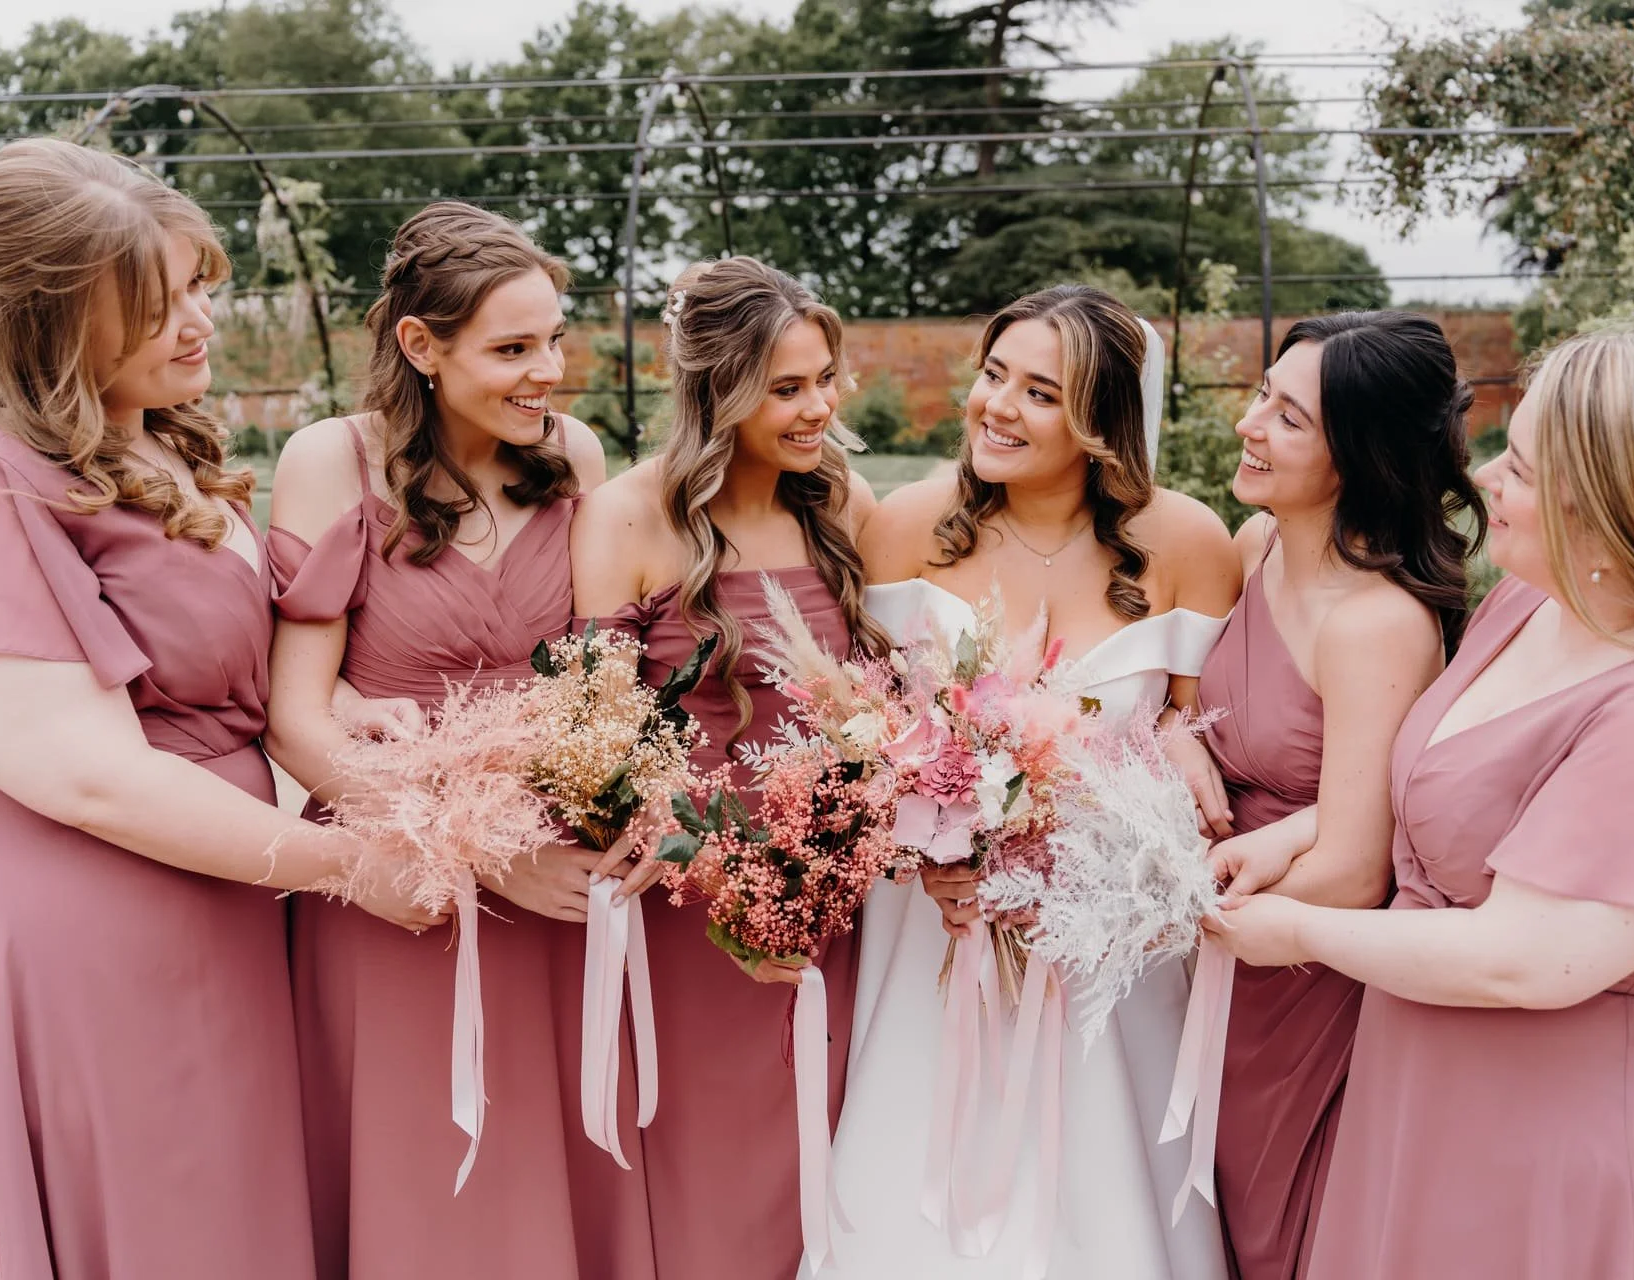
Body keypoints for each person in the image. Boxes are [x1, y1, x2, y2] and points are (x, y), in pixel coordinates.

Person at [0, 138, 430, 1280]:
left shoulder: (149, 435)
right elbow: (89, 773)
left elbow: (210, 658)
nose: (199, 322)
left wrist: (335, 704)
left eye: (199, 288)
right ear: (55, 320)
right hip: (76, 933)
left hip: (211, 899)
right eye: (156, 302)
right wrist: (349, 865)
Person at [1208, 326, 1634, 1280]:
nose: (1481, 477)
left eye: (1516, 466)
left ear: (1609, 507)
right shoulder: (1532, 605)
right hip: (1433, 1098)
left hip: (1583, 1139)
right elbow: (1453, 780)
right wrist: (1296, 835)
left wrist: (1297, 933)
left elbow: (1524, 958)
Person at [822, 284, 1239, 1277]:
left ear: (1103, 423)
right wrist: (926, 838)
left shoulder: (1188, 542)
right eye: (994, 372)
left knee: (1103, 1189)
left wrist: (1180, 737)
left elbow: (1198, 717)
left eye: (1039, 391)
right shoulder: (909, 523)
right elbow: (870, 724)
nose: (995, 405)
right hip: (942, 919)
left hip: (1107, 940)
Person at [261, 201, 644, 1280]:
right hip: (401, 885)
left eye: (556, 339)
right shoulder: (331, 460)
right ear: (421, 346)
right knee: (423, 1184)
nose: (549, 372)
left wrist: (608, 812)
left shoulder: (573, 453)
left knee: (558, 1170)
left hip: (562, 877)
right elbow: (296, 716)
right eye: (513, 348)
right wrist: (473, 853)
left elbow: (607, 682)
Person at [570, 255, 886, 1280]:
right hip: (690, 893)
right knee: (702, 1164)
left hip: (830, 885)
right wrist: (727, 888)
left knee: (827, 1145)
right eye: (788, 387)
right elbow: (592, 733)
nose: (820, 406)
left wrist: (818, 869)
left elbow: (879, 702)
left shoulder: (844, 502)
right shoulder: (629, 513)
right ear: (719, 390)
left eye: (825, 377)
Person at [1168, 311, 1483, 1279]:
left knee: (1287, 1219)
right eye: (1263, 395)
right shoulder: (1256, 541)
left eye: (1290, 417)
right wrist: (1176, 734)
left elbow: (1353, 865)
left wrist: (1164, 914)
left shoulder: (1377, 622)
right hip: (1222, 937)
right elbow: (1199, 703)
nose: (1251, 424)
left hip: (1303, 969)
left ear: (1359, 452)